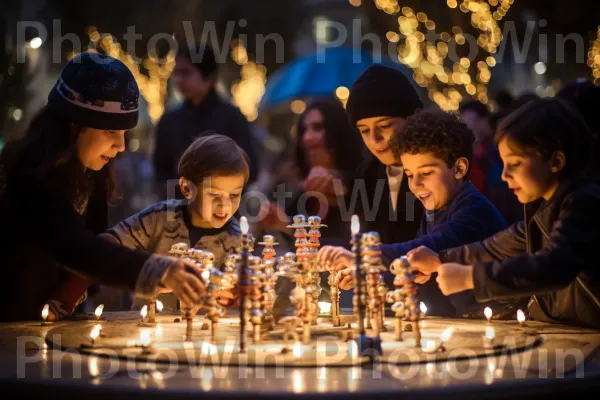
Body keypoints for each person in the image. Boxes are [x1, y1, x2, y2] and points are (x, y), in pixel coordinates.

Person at [0, 53, 206, 322]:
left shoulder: (91, 172)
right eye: (111, 132)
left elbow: (95, 244)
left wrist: (76, 292)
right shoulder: (31, 174)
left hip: (45, 322)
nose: (121, 146)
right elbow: (78, 249)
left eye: (124, 134)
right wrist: (156, 269)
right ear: (75, 126)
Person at [408, 98, 600, 329]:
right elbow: (494, 248)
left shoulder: (584, 203)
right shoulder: (543, 209)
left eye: (515, 164)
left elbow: (554, 266)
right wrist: (441, 260)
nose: (504, 175)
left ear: (556, 161)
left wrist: (471, 278)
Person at [320, 110, 509, 317]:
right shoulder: (434, 211)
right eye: (409, 175)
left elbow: (427, 247)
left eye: (426, 173)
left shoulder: (473, 211)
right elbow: (414, 266)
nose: (416, 184)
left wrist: (364, 258)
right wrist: (367, 275)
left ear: (459, 168)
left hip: (507, 323)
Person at [153, 43, 258, 193]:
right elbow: (160, 173)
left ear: (208, 77)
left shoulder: (232, 118)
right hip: (177, 209)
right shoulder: (169, 120)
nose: (179, 80)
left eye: (186, 73)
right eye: (177, 73)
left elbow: (250, 169)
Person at [260, 99, 365, 245]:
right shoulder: (304, 193)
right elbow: (309, 246)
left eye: (317, 128)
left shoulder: (365, 183)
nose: (307, 138)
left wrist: (340, 189)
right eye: (304, 130)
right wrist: (282, 224)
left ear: (339, 132)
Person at [342, 65, 425, 246]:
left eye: (385, 126)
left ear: (412, 119)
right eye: (364, 130)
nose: (374, 139)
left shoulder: (436, 171)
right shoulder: (368, 175)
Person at [459, 100, 522, 224]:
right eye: (463, 121)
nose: (468, 126)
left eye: (472, 121)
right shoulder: (471, 156)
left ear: (484, 121)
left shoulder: (499, 151)